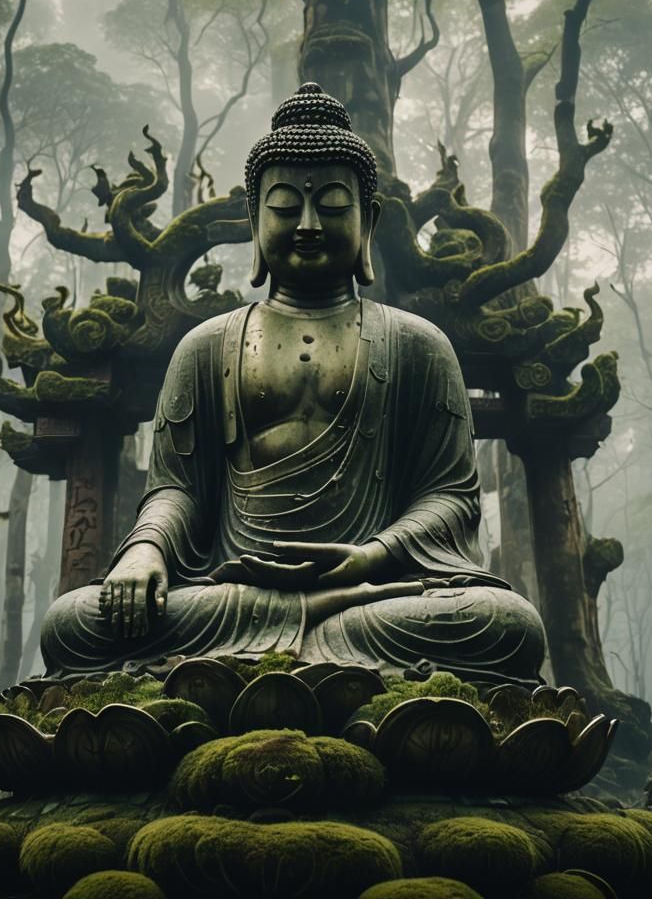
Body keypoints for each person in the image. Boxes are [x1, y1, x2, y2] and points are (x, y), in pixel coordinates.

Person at [41, 84, 546, 684]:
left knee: (507, 624)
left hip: (372, 595)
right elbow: (178, 491)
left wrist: (371, 557)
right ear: (255, 222)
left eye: (333, 205)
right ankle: (315, 636)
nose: (308, 224)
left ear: (369, 220)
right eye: (285, 206)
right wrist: (145, 550)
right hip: (230, 598)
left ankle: (282, 648)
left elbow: (451, 498)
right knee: (71, 624)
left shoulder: (418, 344)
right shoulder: (206, 348)